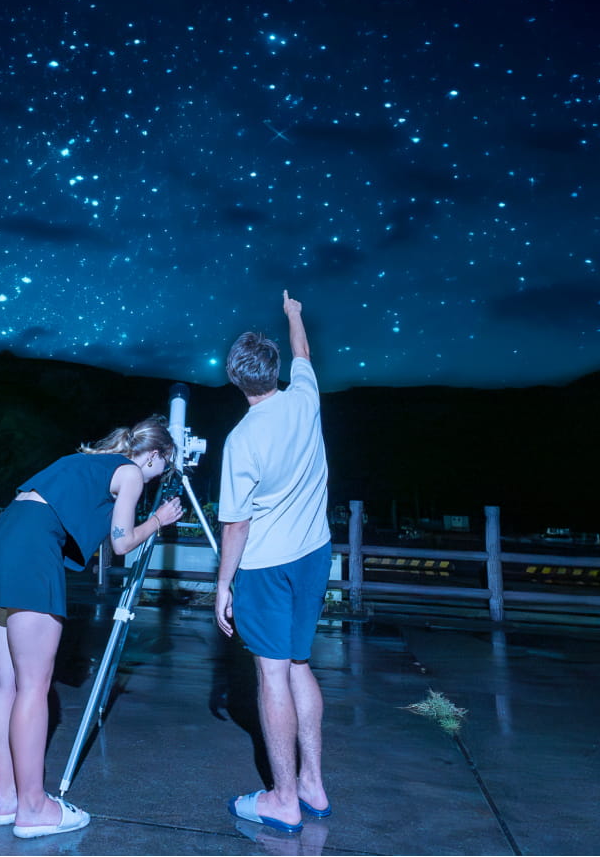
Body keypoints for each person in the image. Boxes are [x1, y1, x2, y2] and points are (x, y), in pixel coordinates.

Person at [0, 416, 184, 839]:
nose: (160, 477)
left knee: (2, 681)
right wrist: (159, 519)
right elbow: (121, 542)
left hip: (0, 541)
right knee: (33, 684)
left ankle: (7, 799)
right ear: (154, 455)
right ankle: (33, 809)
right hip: (31, 551)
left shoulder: (85, 461)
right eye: (164, 468)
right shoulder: (130, 472)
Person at [216, 290, 333, 834]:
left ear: (235, 378)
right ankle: (312, 782)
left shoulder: (241, 440)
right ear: (276, 371)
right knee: (300, 665)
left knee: (272, 675)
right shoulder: (305, 397)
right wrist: (294, 315)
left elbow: (236, 524)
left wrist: (224, 586)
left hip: (266, 566)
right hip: (314, 555)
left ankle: (283, 798)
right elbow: (304, 352)